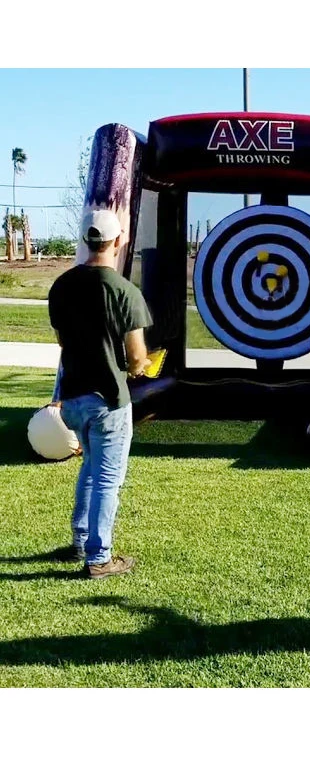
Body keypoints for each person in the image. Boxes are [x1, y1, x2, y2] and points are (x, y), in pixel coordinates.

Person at [48, 209, 152, 579]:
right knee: (108, 477)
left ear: (84, 240)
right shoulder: (125, 291)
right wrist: (138, 368)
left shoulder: (61, 286)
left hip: (73, 399)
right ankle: (98, 557)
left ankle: (80, 540)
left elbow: (63, 341)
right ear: (119, 240)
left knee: (91, 469)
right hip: (109, 400)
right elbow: (137, 355)